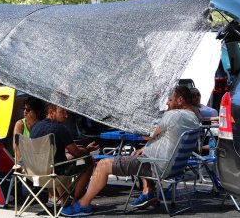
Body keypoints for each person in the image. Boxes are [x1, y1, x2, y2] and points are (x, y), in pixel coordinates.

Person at [61, 85, 200, 216]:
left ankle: (83, 204)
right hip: (173, 168)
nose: (168, 104)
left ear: (180, 100)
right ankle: (148, 191)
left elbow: (147, 133)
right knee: (138, 151)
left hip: (154, 165)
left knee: (103, 165)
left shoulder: (174, 115)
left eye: (170, 100)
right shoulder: (194, 118)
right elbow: (167, 137)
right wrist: (145, 147)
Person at [30, 103, 99, 204]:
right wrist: (88, 149)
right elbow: (78, 153)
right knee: (88, 161)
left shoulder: (35, 126)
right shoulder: (59, 129)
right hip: (55, 172)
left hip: (35, 173)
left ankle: (55, 197)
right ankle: (76, 202)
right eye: (63, 112)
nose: (66, 116)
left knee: (63, 159)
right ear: (51, 112)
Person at [13, 96, 45, 162]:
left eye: (28, 110)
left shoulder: (43, 125)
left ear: (38, 112)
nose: (25, 112)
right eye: (24, 109)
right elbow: (16, 147)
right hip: (23, 162)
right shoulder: (20, 124)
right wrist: (22, 164)